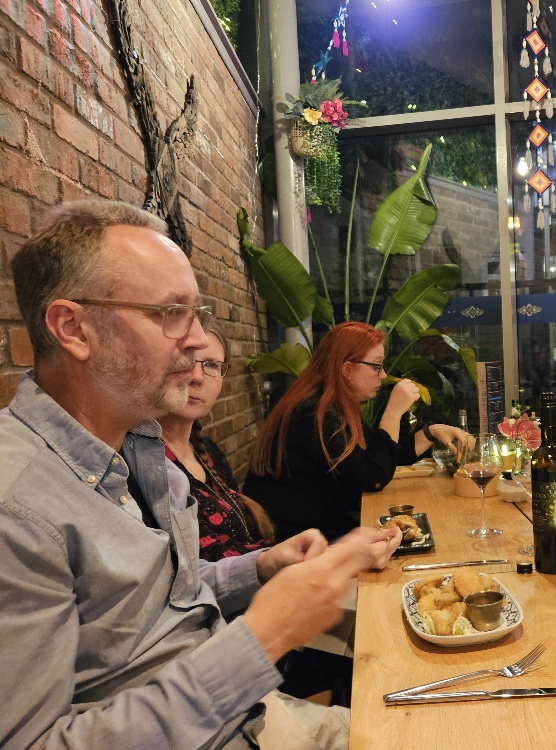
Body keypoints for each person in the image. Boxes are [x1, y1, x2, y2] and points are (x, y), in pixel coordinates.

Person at [0, 200, 401, 749]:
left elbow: (164, 600)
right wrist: (263, 637)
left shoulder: (139, 447)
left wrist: (260, 566)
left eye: (195, 311)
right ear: (74, 328)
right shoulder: (17, 505)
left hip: (251, 715)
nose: (195, 340)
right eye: (170, 312)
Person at [244, 321, 470, 543]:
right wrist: (393, 412)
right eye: (376, 366)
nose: (383, 375)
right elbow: (373, 477)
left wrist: (431, 432)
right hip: (297, 544)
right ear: (347, 369)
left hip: (320, 532)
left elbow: (385, 457)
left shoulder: (336, 406)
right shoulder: (314, 413)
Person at [159, 318, 274, 560]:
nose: (196, 377)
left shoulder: (207, 451)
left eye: (211, 365)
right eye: (185, 360)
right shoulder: (143, 459)